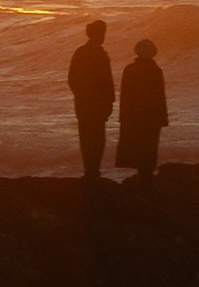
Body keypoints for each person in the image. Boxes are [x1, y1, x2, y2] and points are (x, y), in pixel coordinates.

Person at [115, 39, 168, 180]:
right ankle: (147, 172)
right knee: (150, 144)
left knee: (137, 143)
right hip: (152, 116)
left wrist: (123, 116)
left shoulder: (130, 70)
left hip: (134, 115)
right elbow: (160, 96)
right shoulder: (155, 70)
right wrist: (163, 118)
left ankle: (142, 172)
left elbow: (125, 96)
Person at [68, 20, 115, 178]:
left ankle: (90, 170)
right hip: (94, 104)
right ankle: (92, 170)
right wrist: (108, 101)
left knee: (88, 137)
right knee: (96, 138)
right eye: (101, 33)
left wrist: (82, 96)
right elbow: (106, 81)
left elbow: (72, 79)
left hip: (85, 104)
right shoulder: (97, 54)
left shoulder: (81, 52)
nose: (103, 36)